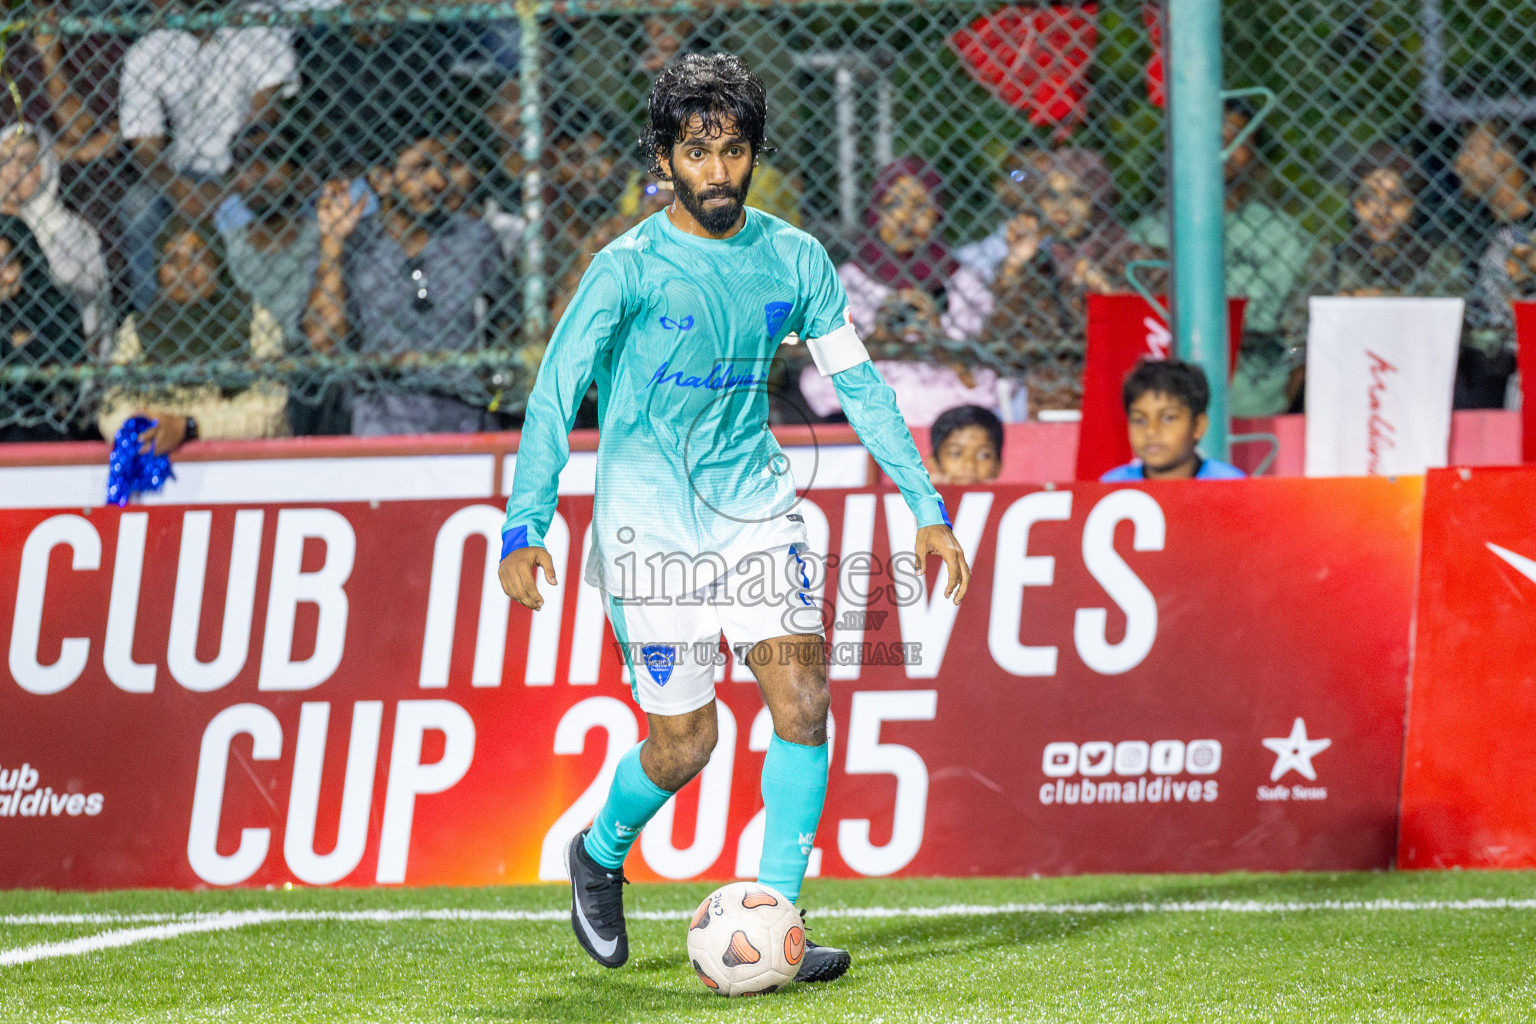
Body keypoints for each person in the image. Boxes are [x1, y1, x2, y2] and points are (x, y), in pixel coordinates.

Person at [497, 53, 971, 981]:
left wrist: (926, 506)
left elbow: (860, 385)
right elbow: (555, 393)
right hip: (647, 527)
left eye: (735, 150)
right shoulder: (624, 268)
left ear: (754, 155)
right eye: (698, 150)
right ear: (666, 157)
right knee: (688, 743)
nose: (718, 171)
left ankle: (779, 922)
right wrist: (526, 524)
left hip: (754, 508)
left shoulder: (796, 258)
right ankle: (596, 854)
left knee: (803, 700)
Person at [303, 132, 502, 435]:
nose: (438, 181)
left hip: (465, 417)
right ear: (381, 179)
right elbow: (324, 341)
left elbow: (507, 326)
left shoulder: (475, 240)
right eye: (421, 168)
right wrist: (332, 242)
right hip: (379, 417)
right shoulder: (354, 246)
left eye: (444, 166)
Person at [1129, 101, 1313, 417]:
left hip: (1258, 403)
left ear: (1254, 152)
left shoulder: (1282, 235)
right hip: (1166, 404)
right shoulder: (1147, 234)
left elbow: (1300, 336)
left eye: (1237, 139)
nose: (1225, 150)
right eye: (1213, 139)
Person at [797, 156, 1003, 426]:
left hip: (946, 417)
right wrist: (878, 339)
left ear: (938, 213)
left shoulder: (962, 282)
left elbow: (984, 382)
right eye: (893, 205)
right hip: (865, 417)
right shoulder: (848, 281)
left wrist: (937, 335)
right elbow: (821, 380)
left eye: (919, 205)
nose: (905, 218)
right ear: (876, 213)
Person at [118, 0, 297, 309]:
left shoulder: (256, 22)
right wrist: (177, 188)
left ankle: (266, 323)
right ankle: (150, 324)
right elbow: (145, 150)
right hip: (179, 174)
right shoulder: (148, 51)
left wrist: (231, 185)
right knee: (137, 206)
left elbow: (262, 122)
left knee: (266, 191)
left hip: (247, 163)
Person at [947, 146, 1144, 416]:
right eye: (1051, 196)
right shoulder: (1040, 265)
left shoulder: (1133, 259)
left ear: (1099, 198)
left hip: (1119, 398)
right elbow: (999, 345)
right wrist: (1013, 269)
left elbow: (1143, 338)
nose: (1061, 208)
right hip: (1048, 405)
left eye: (1076, 195)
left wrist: (1104, 290)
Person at [97, 219, 288, 452]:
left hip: (242, 461)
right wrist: (142, 429)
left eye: (197, 257)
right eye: (172, 260)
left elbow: (268, 411)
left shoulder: (255, 318)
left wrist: (187, 427)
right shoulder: (139, 328)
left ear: (218, 265)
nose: (185, 269)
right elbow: (111, 406)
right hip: (154, 452)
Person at [0, 122, 109, 349]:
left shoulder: (73, 236)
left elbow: (91, 319)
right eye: (3, 160)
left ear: (47, 166)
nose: (11, 173)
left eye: (26, 163)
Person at [1454, 123, 1529, 407]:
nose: (1459, 163)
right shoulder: (1485, 233)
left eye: (1471, 151)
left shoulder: (1524, 230)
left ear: (1503, 157)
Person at [0, 214, 88, 442]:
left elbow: (67, 364)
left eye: (8, 263)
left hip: (42, 427)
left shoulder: (54, 307)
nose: (3, 277)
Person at [1101, 359, 1244, 481]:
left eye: (1168, 418)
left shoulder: (1231, 485)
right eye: (1139, 420)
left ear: (1198, 425)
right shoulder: (1111, 487)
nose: (1151, 431)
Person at [927, 404, 1003, 485]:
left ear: (998, 466)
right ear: (935, 464)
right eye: (956, 454)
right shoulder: (922, 495)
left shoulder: (1009, 497)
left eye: (983, 455)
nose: (969, 465)